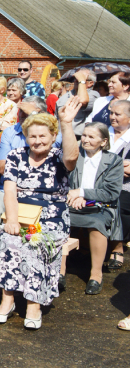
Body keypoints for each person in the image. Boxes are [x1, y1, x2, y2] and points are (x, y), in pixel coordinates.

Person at [0, 99, 80, 330]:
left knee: (35, 241)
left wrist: (67, 124)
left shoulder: (58, 155)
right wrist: (12, 219)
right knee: (9, 239)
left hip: (52, 219)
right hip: (22, 214)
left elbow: (72, 158)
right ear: (25, 136)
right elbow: (9, 190)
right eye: (32, 136)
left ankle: (33, 303)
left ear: (52, 136)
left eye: (43, 136)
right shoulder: (16, 156)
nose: (37, 141)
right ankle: (7, 300)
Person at [65, 122, 123, 295]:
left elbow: (111, 193)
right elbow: (62, 182)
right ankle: (59, 272)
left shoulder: (113, 161)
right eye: (84, 135)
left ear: (103, 141)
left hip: (100, 207)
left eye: (91, 137)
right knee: (58, 219)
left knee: (97, 224)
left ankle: (95, 274)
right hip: (72, 202)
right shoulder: (75, 156)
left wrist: (82, 193)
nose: (85, 139)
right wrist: (73, 196)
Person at [106, 100, 130, 271]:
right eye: (111, 113)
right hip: (101, 183)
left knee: (120, 206)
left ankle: (117, 247)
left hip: (125, 185)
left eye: (117, 114)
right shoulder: (102, 133)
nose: (112, 117)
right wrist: (120, 167)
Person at [56, 68, 99, 139]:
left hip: (79, 139)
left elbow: (82, 100)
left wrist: (81, 81)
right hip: (61, 137)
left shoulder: (93, 95)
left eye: (79, 79)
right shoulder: (64, 97)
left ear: (90, 83)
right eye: (75, 78)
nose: (76, 81)